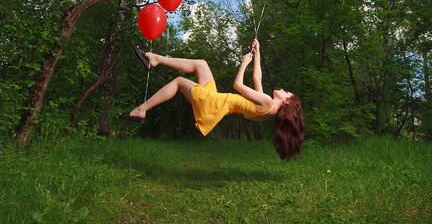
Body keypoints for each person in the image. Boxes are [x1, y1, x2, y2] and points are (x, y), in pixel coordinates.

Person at [120, 39, 305, 160]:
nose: (283, 90)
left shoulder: (267, 103)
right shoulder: (268, 107)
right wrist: (257, 54)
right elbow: (258, 78)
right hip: (217, 101)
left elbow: (238, 85)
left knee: (178, 82)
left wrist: (243, 64)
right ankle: (156, 59)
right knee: (202, 64)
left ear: (287, 102)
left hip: (213, 104)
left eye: (286, 92)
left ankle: (141, 109)